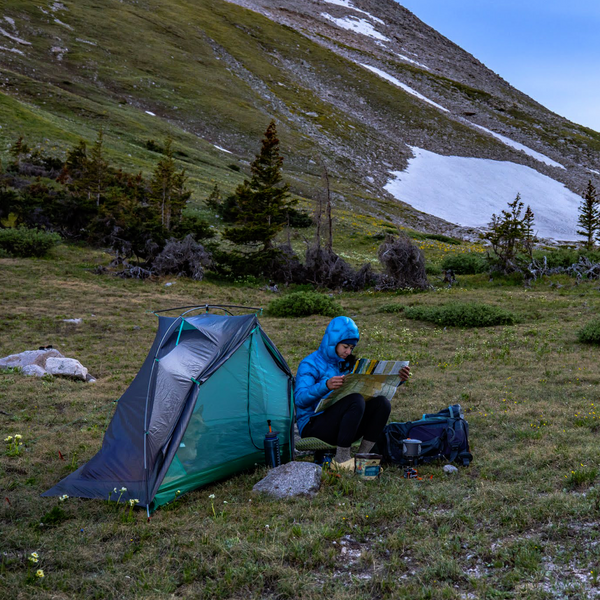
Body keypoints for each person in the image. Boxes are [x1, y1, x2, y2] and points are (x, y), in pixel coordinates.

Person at [294, 316, 410, 470]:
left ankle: (363, 457)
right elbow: (300, 400)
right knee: (355, 400)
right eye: (345, 347)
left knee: (382, 404)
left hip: (342, 424)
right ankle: (341, 459)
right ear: (333, 342)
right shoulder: (310, 364)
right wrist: (326, 385)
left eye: (352, 348)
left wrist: (398, 379)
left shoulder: (348, 364)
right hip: (312, 426)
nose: (348, 352)